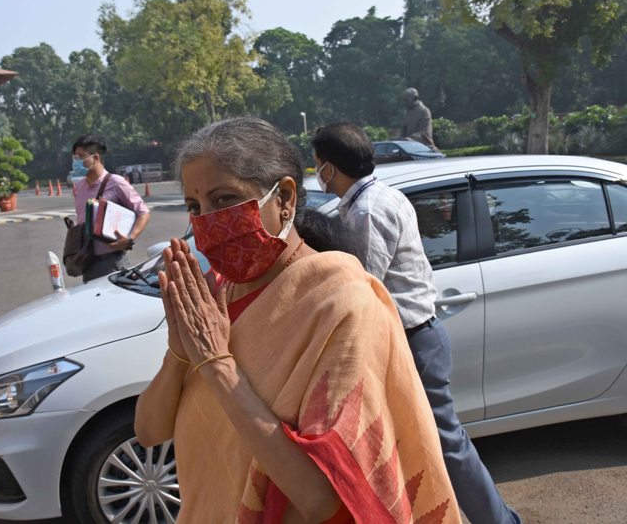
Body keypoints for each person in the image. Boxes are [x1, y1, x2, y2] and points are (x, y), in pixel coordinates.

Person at [135, 117, 460, 523]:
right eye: (194, 206)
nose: (206, 222)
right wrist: (181, 351)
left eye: (223, 200)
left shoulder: (341, 300)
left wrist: (218, 365)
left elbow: (320, 496)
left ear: (284, 197)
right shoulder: (216, 295)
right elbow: (149, 432)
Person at [311, 122, 522, 524]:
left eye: (317, 163)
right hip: (413, 336)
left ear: (330, 168)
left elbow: (363, 287)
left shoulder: (368, 211)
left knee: (445, 445)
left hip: (412, 340)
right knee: (412, 445)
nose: (315, 170)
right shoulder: (376, 197)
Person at [71, 135, 151, 282]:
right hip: (88, 262)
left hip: (112, 262)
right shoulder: (79, 188)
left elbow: (143, 212)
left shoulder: (116, 182)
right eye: (74, 157)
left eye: (80, 157)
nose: (76, 162)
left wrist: (129, 239)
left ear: (95, 157)